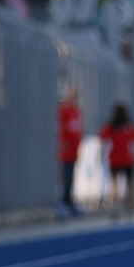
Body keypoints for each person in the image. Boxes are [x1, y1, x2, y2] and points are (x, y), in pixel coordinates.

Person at [99, 103, 134, 219]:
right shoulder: (129, 126)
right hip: (127, 159)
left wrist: (102, 154)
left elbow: (102, 140)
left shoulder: (111, 126)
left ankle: (115, 209)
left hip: (115, 159)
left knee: (114, 185)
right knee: (130, 185)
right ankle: (131, 209)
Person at [57, 85, 83, 215]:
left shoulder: (76, 111)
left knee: (71, 177)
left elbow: (78, 129)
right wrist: (63, 143)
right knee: (65, 177)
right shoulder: (63, 111)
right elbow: (60, 129)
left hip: (74, 151)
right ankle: (62, 203)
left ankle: (69, 202)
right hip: (65, 151)